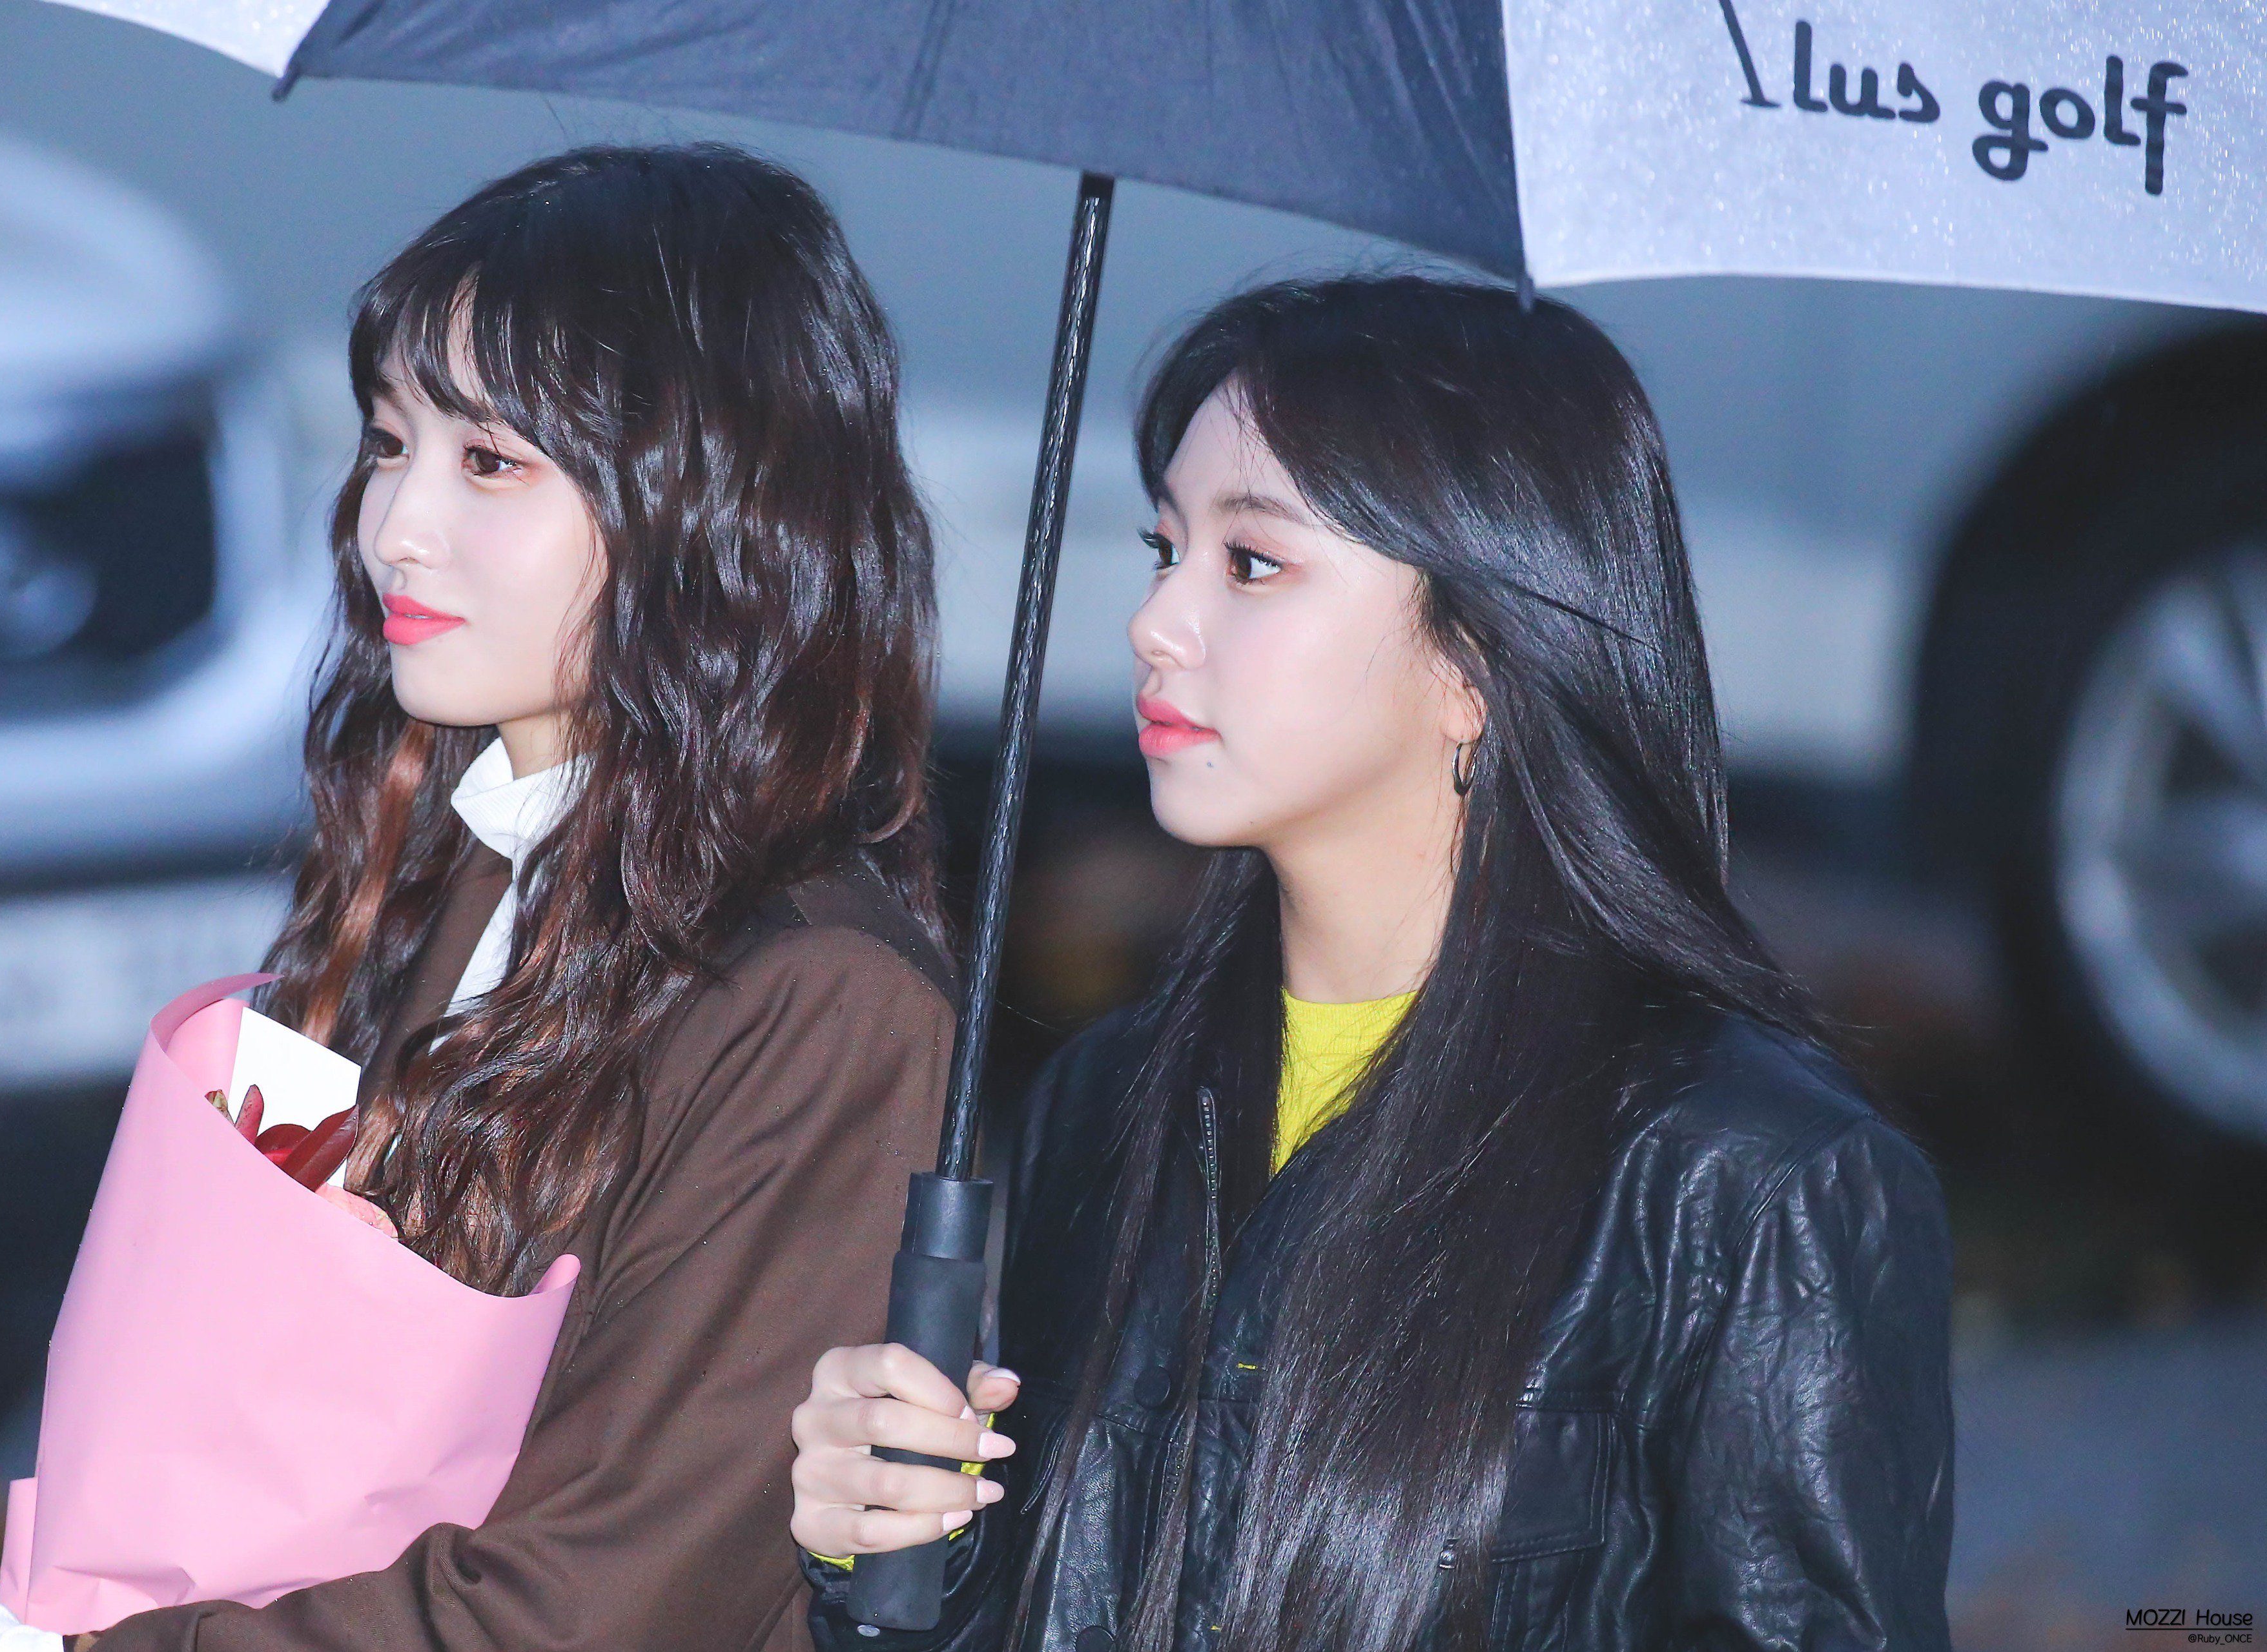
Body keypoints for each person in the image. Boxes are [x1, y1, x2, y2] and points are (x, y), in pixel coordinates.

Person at [786, 275, 1954, 1652]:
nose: (1155, 621)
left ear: (1474, 665)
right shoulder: (1102, 1108)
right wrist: (895, 1561)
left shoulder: (1747, 1184)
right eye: (1167, 547)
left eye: (1251, 563)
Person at [0, 143, 958, 1652]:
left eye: (488, 461)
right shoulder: (444, 858)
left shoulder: (816, 996)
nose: (393, 525)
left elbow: (605, 1600)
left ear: (709, 503)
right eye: (385, 441)